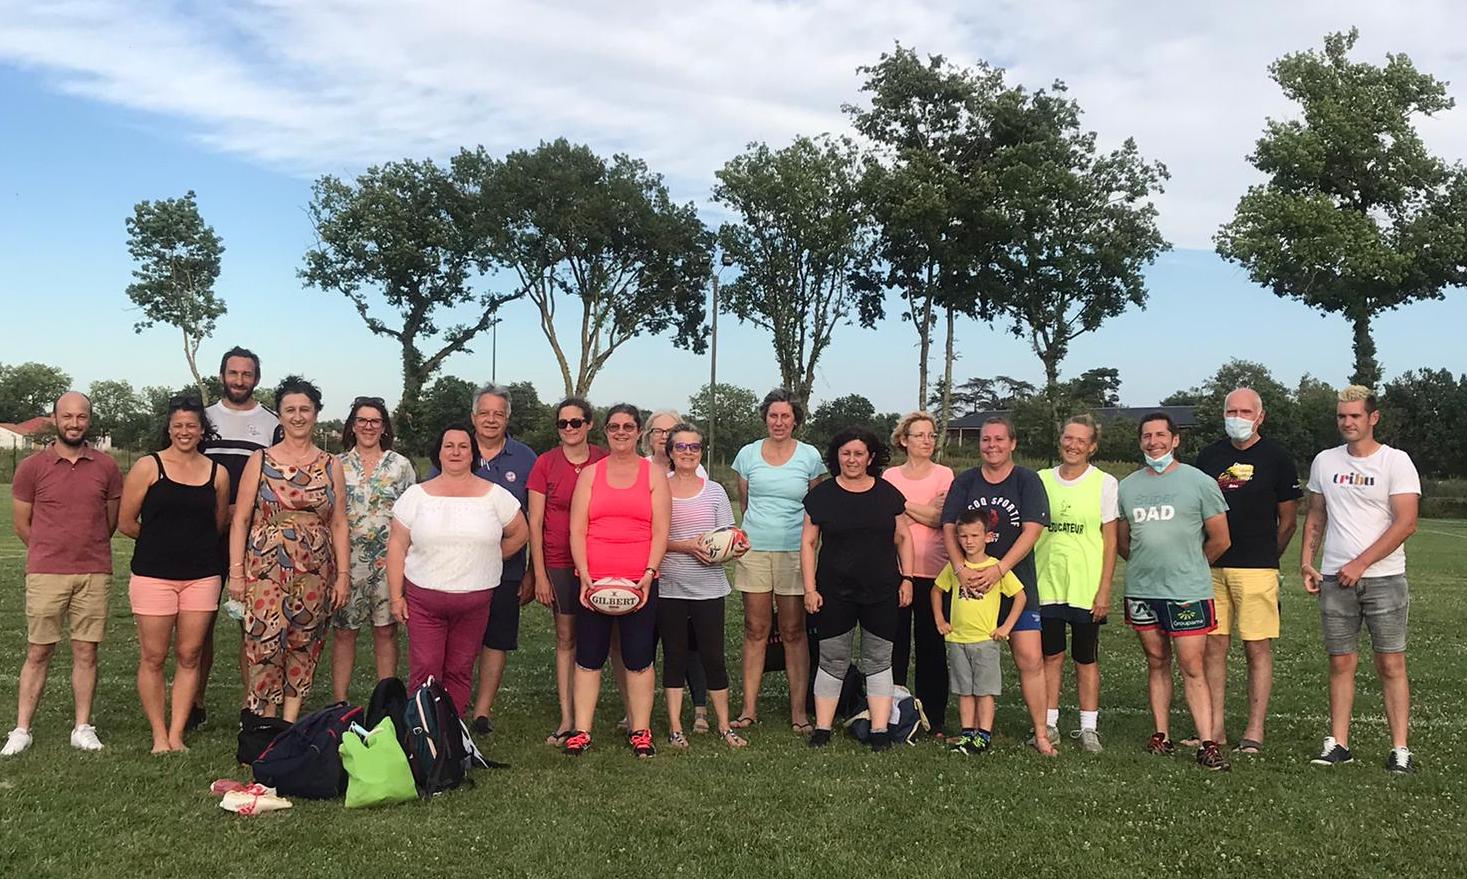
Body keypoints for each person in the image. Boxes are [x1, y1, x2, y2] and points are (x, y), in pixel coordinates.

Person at [1301, 385, 1419, 773]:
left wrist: (1360, 563)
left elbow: (1406, 523)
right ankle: (1339, 743)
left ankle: (1400, 749)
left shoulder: (1395, 462)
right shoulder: (1324, 461)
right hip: (1335, 580)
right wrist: (1307, 561)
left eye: (1355, 416)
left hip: (1384, 578)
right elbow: (1316, 515)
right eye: (1341, 416)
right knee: (1341, 663)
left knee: (1390, 664)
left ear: (1373, 418)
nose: (1347, 422)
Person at [3, 392, 122, 757]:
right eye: (67, 416)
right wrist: (50, 551)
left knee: (86, 652)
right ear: (55, 419)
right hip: (46, 572)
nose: (74, 423)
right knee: (39, 651)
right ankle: (22, 729)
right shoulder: (31, 467)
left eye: (81, 417)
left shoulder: (106, 467)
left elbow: (110, 521)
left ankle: (82, 727)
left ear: (89, 420)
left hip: (93, 571)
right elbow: (24, 525)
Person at [227, 376, 349, 721]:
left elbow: (339, 522)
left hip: (315, 570)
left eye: (305, 409)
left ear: (316, 414)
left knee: (303, 643)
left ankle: (289, 723)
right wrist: (236, 573)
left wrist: (342, 577)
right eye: (290, 410)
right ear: (279, 415)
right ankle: (262, 721)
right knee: (264, 642)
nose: (298, 416)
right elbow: (240, 520)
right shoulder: (261, 459)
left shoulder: (331, 464)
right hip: (266, 569)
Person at [1116, 412, 1232, 771]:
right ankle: (1161, 734)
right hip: (1142, 589)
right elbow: (1123, 542)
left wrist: (1190, 566)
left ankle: (1208, 741)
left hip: (1187, 591)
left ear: (1175, 440)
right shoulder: (1128, 486)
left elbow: (1220, 539)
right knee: (1156, 661)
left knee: (1192, 666)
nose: (1154, 442)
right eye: (1147, 436)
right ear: (1141, 442)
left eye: (1160, 435)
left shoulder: (1199, 482)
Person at [387, 424, 528, 714]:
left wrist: (489, 557)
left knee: (460, 669)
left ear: (472, 453)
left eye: (463, 446)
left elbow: (520, 533)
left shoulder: (495, 495)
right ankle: (424, 733)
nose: (455, 452)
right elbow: (397, 547)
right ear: (438, 453)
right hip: (425, 601)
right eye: (448, 445)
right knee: (425, 668)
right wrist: (396, 596)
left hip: (474, 602)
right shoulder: (416, 496)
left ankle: (452, 733)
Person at [118, 395, 230, 753]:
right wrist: (161, 544)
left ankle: (177, 734)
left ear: (202, 430)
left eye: (192, 426)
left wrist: (190, 547)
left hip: (202, 576)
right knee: (153, 656)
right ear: (168, 428)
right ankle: (158, 735)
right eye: (178, 425)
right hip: (153, 575)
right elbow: (126, 522)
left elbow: (216, 525)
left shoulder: (217, 473)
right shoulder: (148, 467)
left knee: (190, 655)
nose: (185, 432)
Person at [1195, 388, 1300, 754]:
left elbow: (1288, 521)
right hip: (1211, 567)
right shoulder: (1208, 457)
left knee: (1256, 648)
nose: (1237, 417)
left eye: (1245, 411)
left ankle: (1254, 731)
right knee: (1213, 647)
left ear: (1260, 416)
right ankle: (1216, 729)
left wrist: (1268, 555)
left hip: (1256, 568)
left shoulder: (1277, 457)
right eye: (1231, 410)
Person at [940, 417, 1054, 755]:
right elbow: (948, 526)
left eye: (999, 439)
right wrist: (959, 567)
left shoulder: (1026, 480)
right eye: (986, 439)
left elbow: (1032, 530)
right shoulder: (966, 481)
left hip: (1014, 584)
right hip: (971, 586)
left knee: (1030, 658)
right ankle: (971, 728)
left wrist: (1001, 569)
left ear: (1013, 443)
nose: (992, 445)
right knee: (969, 660)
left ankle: (1041, 733)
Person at [565, 404, 671, 757]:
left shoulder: (652, 473)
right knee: (589, 657)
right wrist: (584, 576)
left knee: (639, 658)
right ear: (605, 431)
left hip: (638, 582)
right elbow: (577, 529)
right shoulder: (591, 475)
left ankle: (640, 730)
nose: (621, 432)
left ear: (639, 431)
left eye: (628, 426)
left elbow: (660, 531)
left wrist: (648, 575)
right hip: (595, 582)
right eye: (614, 426)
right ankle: (582, 730)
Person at [802, 427, 914, 750]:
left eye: (859, 454)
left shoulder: (887, 494)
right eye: (846, 453)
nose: (852, 459)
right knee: (832, 659)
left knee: (879, 659)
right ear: (837, 457)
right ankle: (823, 728)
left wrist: (907, 577)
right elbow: (808, 544)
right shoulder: (821, 496)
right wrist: (810, 588)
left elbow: (903, 538)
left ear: (870, 458)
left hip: (881, 590)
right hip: (834, 591)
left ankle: (879, 729)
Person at [731, 389, 825, 734]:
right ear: (765, 418)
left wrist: (803, 547)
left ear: (796, 420)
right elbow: (745, 502)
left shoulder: (810, 457)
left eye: (786, 416)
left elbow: (816, 507)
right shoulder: (747, 454)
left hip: (794, 553)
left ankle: (799, 712)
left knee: (793, 631)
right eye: (773, 416)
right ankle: (748, 710)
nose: (779, 422)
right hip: (754, 551)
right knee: (756, 630)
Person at [197, 345, 278, 728]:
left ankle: (252, 707)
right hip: (207, 534)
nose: (240, 380)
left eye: (247, 374)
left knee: (252, 624)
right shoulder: (203, 419)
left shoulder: (272, 423)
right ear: (221, 375)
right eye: (234, 373)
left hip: (254, 536)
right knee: (202, 621)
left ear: (256, 379)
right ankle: (194, 703)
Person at [658, 423, 747, 749]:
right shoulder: (659, 487)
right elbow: (651, 538)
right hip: (670, 587)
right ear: (670, 452)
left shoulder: (714, 491)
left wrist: (735, 546)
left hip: (709, 588)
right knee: (675, 656)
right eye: (680, 447)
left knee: (713, 656)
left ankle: (724, 726)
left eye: (694, 447)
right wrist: (685, 547)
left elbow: (728, 533)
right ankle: (675, 728)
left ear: (701, 452)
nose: (687, 453)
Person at [1035, 415, 1119, 753]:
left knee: (1085, 659)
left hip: (1085, 588)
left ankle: (1088, 728)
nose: (1073, 445)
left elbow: (1111, 542)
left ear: (1092, 447)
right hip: (1047, 583)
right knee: (1050, 657)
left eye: (1081, 441)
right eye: (1068, 438)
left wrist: (1104, 590)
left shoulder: (1105, 483)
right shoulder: (1040, 480)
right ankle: (1049, 723)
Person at [528, 398, 609, 744]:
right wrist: (541, 574)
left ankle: (630, 714)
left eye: (577, 422)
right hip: (559, 560)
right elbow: (534, 523)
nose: (570, 429)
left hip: (604, 559)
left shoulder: (605, 459)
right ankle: (567, 717)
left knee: (612, 636)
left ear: (589, 424)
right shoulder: (545, 463)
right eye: (563, 423)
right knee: (566, 638)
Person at [458, 386, 538, 735]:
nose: (491, 419)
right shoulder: (455, 450)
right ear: (474, 417)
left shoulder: (525, 458)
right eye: (484, 413)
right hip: (457, 569)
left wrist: (533, 572)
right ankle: (452, 703)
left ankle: (482, 711)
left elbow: (536, 519)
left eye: (499, 413)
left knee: (496, 639)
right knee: (461, 639)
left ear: (507, 418)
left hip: (507, 569)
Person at [329, 397, 417, 702]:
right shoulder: (336, 464)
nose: (368, 426)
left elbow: (412, 516)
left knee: (385, 631)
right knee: (344, 632)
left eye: (375, 421)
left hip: (388, 562)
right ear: (353, 425)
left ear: (384, 427)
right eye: (362, 420)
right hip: (347, 562)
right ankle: (339, 701)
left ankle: (386, 702)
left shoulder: (400, 466)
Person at [881, 412, 954, 739]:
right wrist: (920, 511)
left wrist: (903, 506)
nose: (927, 440)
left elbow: (942, 518)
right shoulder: (889, 475)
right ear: (904, 440)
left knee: (932, 647)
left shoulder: (945, 474)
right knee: (894, 645)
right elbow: (887, 523)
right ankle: (895, 713)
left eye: (931, 434)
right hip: (897, 572)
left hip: (935, 573)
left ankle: (934, 718)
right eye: (920, 435)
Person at [934, 508, 1027, 756]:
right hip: (957, 639)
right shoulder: (956, 568)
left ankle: (983, 735)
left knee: (984, 691)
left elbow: (1020, 596)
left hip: (985, 641)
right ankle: (967, 734)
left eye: (975, 536)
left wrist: (1005, 627)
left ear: (987, 537)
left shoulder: (995, 568)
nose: (969, 541)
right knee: (964, 690)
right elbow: (936, 591)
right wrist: (941, 620)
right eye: (963, 537)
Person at [644, 409, 709, 732]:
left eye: (670, 431)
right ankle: (637, 710)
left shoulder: (696, 472)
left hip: (688, 578)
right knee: (647, 642)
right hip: (648, 572)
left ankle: (699, 708)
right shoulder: (640, 470)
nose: (664, 436)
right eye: (658, 431)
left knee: (690, 643)